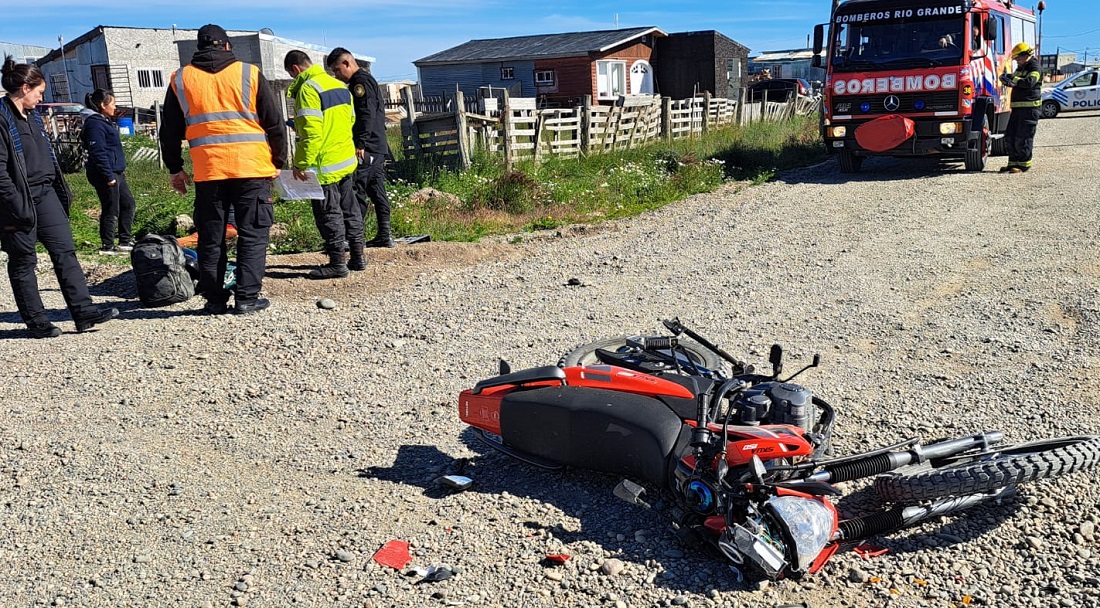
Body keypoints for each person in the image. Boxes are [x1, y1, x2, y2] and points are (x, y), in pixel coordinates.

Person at [159, 24, 286, 314]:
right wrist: (277, 161)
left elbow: (169, 131)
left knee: (211, 236)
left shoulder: (181, 79)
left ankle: (215, 300)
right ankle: (247, 298)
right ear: (227, 46)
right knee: (252, 233)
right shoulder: (249, 73)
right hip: (252, 168)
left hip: (209, 172)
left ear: (199, 48)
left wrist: (175, 169)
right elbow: (274, 123)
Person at [0, 56, 118, 338]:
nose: (41, 98)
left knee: (65, 253)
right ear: (25, 87)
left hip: (46, 194)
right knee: (24, 260)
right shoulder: (2, 119)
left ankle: (84, 312)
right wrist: (16, 205)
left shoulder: (34, 118)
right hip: (16, 201)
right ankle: (37, 322)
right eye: (39, 92)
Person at [284, 50, 362, 277]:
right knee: (351, 210)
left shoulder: (308, 89)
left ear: (296, 70)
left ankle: (337, 263)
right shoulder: (338, 85)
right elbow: (350, 120)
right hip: (345, 160)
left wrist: (300, 164)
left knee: (329, 214)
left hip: (323, 165)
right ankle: (358, 258)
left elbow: (311, 135)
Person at [326, 47, 394, 250]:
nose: (337, 76)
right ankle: (384, 233)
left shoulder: (360, 82)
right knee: (376, 189)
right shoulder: (367, 79)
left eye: (337, 70)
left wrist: (360, 143)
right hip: (377, 145)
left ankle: (353, 238)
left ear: (347, 63)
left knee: (357, 191)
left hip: (368, 146)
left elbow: (366, 114)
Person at [80, 88, 136, 255]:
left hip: (116, 171)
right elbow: (98, 152)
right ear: (102, 105)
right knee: (111, 208)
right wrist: (108, 176)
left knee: (128, 204)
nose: (115, 107)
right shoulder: (94, 124)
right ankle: (108, 245)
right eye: (112, 103)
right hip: (105, 173)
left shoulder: (104, 121)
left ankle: (125, 240)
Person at [998, 42, 1042, 173]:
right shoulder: (1021, 67)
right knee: (1010, 136)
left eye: (1018, 58)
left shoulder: (1035, 67)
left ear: (1026, 55)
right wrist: (1007, 81)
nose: (1017, 61)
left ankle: (1023, 165)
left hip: (1029, 109)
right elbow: (1017, 82)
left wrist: (1013, 78)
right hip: (1018, 108)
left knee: (1024, 137)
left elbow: (1029, 83)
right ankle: (1012, 163)